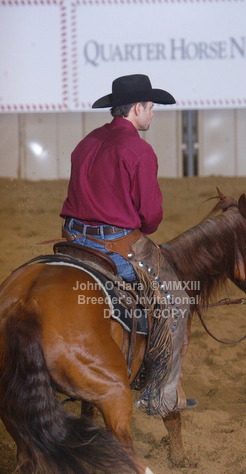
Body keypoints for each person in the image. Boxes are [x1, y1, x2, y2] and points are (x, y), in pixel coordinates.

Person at [60, 74, 196, 416]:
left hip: (74, 240)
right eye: (150, 107)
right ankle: (160, 395)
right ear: (137, 109)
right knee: (178, 301)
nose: (152, 113)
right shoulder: (139, 151)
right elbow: (150, 218)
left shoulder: (86, 142)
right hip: (114, 247)